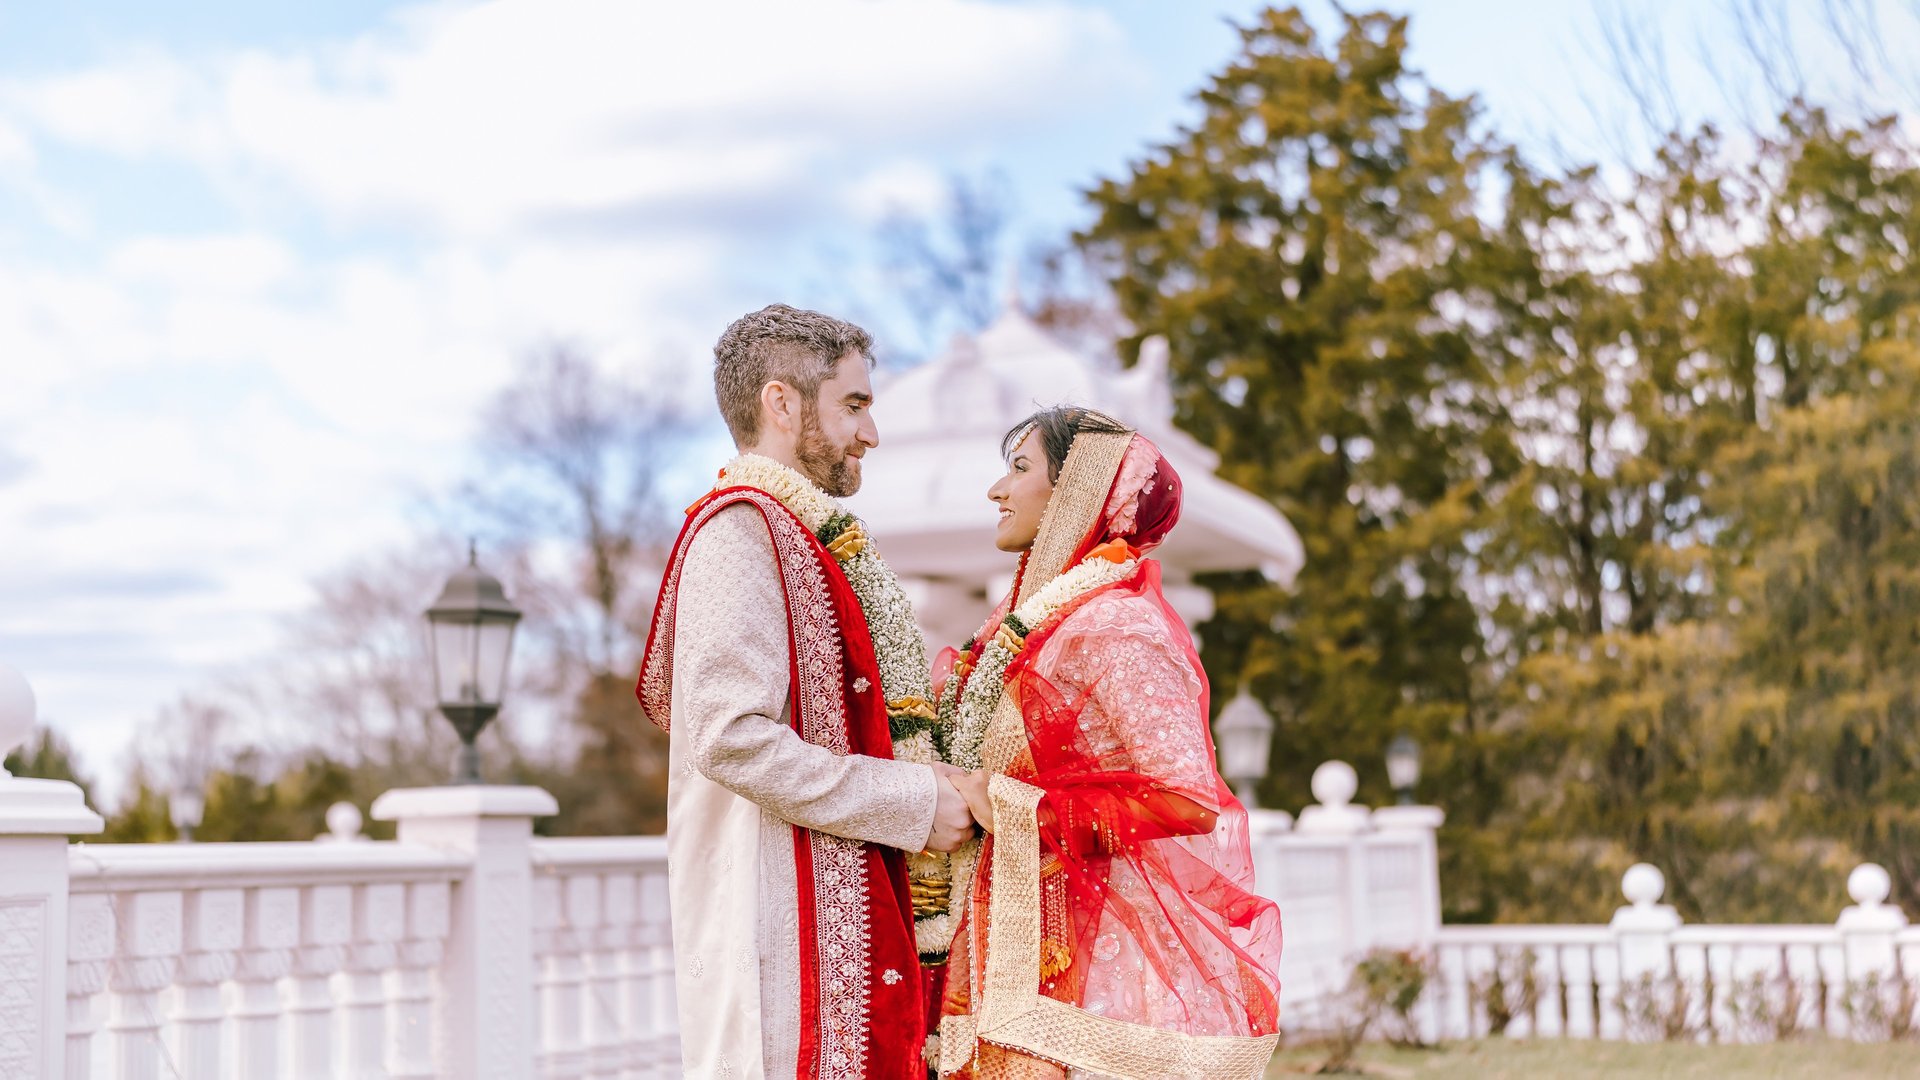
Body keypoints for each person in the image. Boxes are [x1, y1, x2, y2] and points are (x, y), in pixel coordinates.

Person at [636, 304, 975, 1079]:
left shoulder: (802, 536)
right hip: (779, 950)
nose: (871, 433)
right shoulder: (738, 532)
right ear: (782, 404)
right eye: (854, 405)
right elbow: (728, 736)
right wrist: (915, 804)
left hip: (836, 934)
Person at [932, 406, 1283, 1078]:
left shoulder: (1117, 625)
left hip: (1106, 966)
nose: (997, 490)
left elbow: (1186, 799)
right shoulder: (1035, 622)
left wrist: (1012, 806)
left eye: (1019, 468)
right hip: (1016, 929)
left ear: (1078, 492)